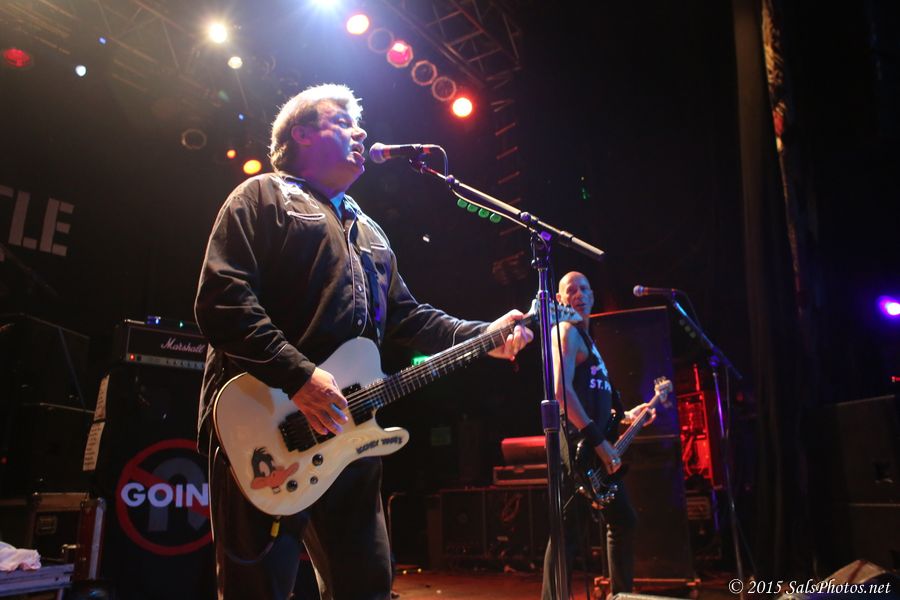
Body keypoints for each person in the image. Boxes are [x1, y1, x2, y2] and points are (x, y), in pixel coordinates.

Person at [194, 83, 533, 600]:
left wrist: (481, 336)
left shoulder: (369, 231)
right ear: (302, 134)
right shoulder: (262, 196)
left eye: (359, 123)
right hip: (262, 426)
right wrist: (299, 377)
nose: (361, 133)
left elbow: (407, 318)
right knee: (257, 589)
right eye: (343, 122)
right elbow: (221, 300)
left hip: (346, 436)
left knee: (367, 585)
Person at [541, 271, 655, 599]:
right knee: (567, 535)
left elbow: (596, 399)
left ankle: (621, 595)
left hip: (594, 451)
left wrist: (629, 416)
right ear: (560, 299)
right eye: (571, 290)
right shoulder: (565, 332)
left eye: (585, 288)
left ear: (593, 296)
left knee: (622, 521)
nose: (579, 294)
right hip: (579, 450)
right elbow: (561, 392)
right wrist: (599, 442)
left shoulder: (589, 342)